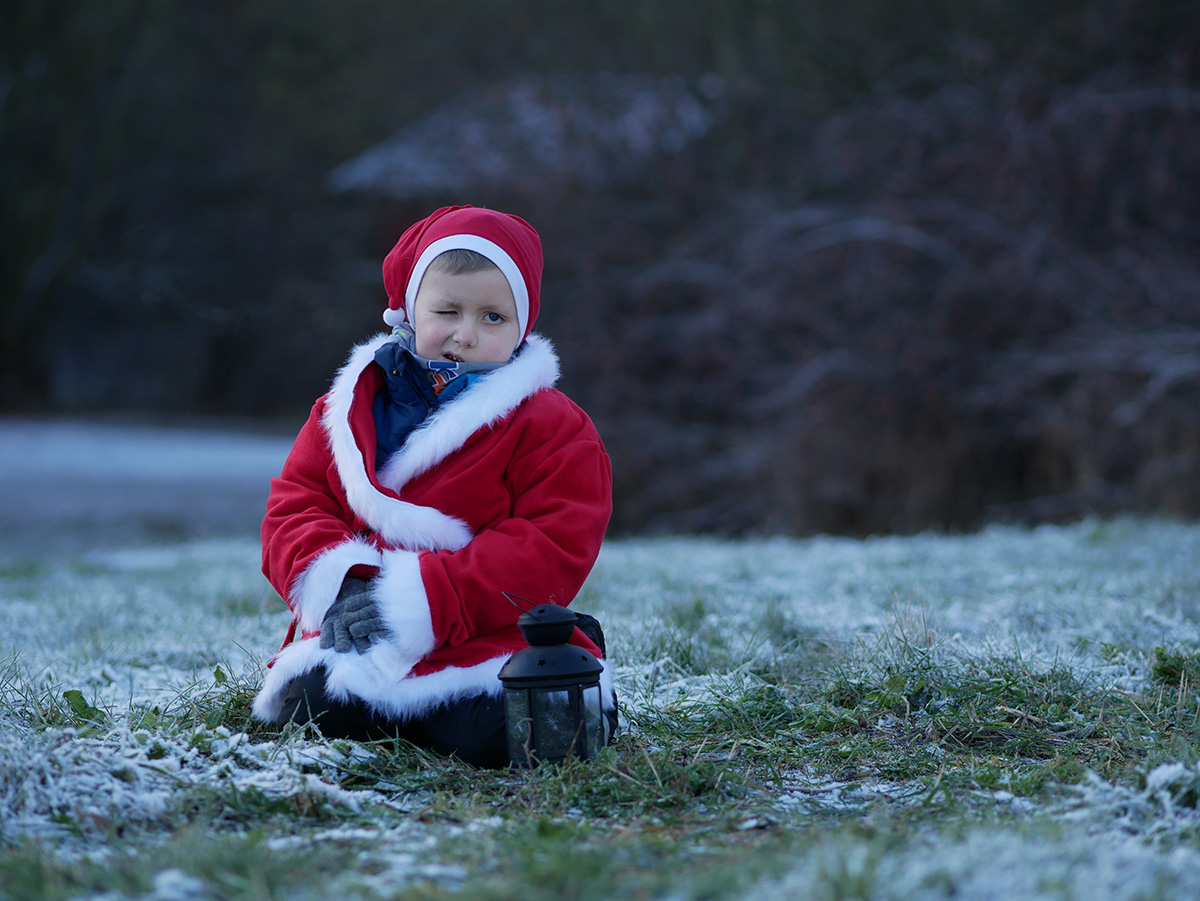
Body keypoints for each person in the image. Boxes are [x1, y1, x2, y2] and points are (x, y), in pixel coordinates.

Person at [252, 205, 614, 767]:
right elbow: (297, 504)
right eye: (447, 310)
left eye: (493, 318)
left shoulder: (553, 425)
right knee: (318, 711)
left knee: (499, 733)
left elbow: (551, 540)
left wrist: (424, 600)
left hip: (485, 627)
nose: (465, 336)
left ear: (523, 325)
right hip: (364, 630)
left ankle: (564, 656)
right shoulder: (345, 410)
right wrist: (347, 586)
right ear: (407, 311)